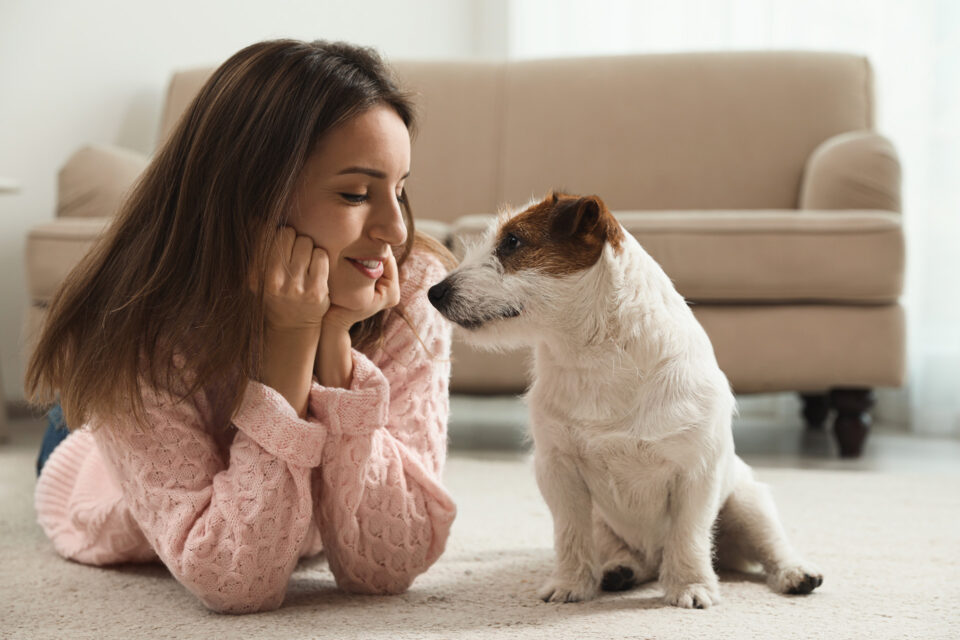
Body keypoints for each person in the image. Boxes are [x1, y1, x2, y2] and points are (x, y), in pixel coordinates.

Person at [26, 39, 457, 614]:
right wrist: (289, 342)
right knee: (77, 425)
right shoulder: (140, 329)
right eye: (356, 193)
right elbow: (238, 579)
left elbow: (386, 567)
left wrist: (332, 343)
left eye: (399, 190)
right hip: (95, 460)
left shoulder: (412, 285)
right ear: (251, 197)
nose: (396, 230)